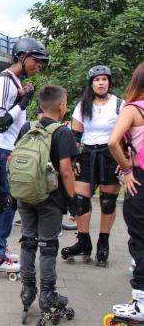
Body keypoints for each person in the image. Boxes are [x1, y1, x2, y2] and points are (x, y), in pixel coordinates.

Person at [15, 85, 80, 320]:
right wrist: (74, 200)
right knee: (48, 246)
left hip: (25, 194)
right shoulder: (62, 133)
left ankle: (27, 290)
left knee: (28, 241)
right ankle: (48, 294)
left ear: (41, 105)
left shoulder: (26, 127)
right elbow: (65, 170)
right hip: (50, 199)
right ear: (62, 106)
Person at [0, 37, 48, 273]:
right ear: (22, 57)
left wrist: (22, 97)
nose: (38, 66)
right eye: (36, 60)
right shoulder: (3, 81)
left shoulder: (14, 81)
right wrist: (23, 103)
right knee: (1, 202)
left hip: (10, 148)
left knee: (9, 202)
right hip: (1, 147)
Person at [61, 65, 124, 267]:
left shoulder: (119, 105)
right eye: (97, 80)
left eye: (105, 79)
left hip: (110, 155)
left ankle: (103, 242)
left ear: (109, 82)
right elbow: (75, 136)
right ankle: (84, 241)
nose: (101, 82)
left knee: (108, 202)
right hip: (87, 154)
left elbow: (127, 135)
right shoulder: (82, 105)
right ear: (91, 83)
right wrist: (73, 160)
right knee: (80, 201)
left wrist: (125, 161)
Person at [108, 63, 144, 323]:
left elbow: (112, 142)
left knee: (140, 240)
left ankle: (140, 304)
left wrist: (127, 169)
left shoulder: (133, 110)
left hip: (139, 182)